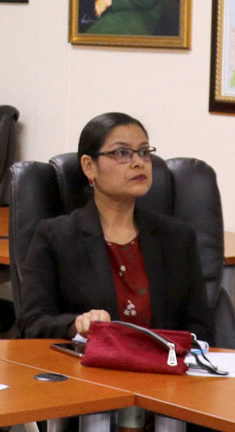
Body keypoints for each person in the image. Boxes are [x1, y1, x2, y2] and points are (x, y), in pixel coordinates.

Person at [17, 112, 212, 341]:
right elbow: (32, 323)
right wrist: (76, 326)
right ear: (89, 167)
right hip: (87, 369)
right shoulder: (56, 237)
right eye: (122, 153)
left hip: (164, 371)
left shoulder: (177, 237)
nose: (138, 162)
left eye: (144, 152)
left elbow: (201, 328)